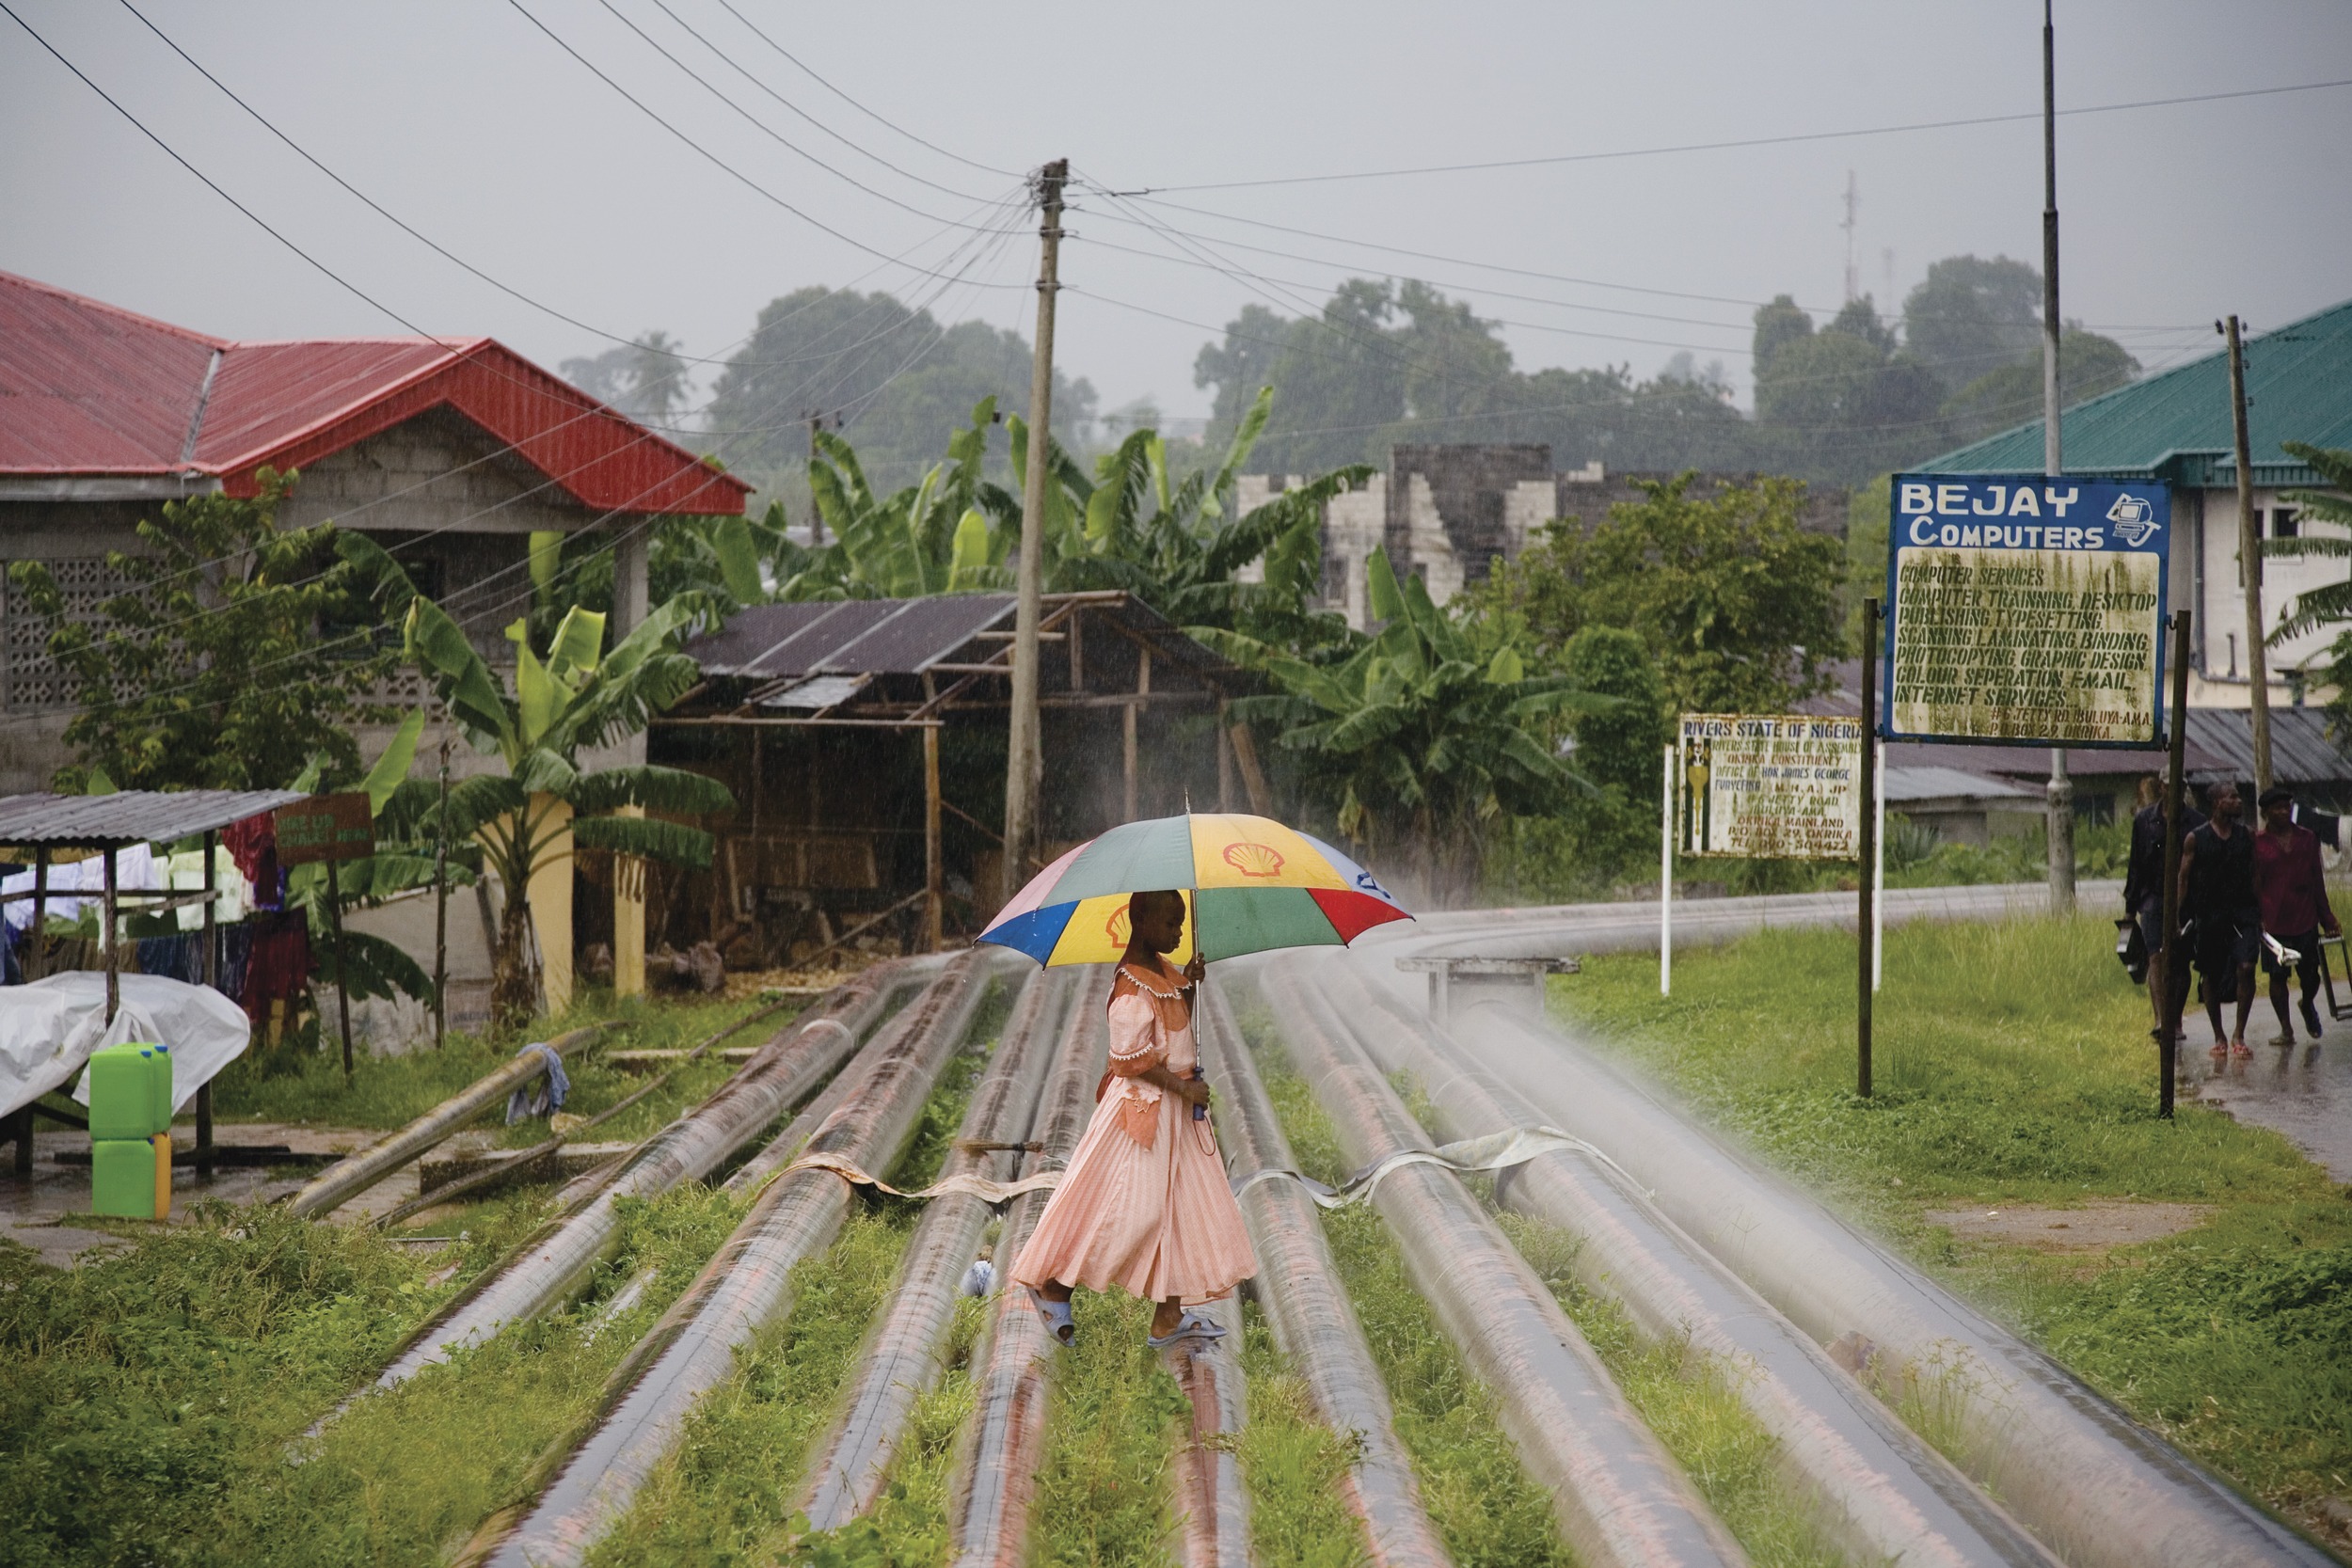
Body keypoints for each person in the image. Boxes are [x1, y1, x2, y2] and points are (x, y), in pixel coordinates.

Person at [1012, 890, 1257, 1348]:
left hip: (1175, 1114)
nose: (1178, 933)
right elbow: (1128, 1060)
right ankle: (1055, 1285)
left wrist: (1189, 983)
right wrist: (1184, 1087)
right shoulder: (1131, 987)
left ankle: (1169, 1314)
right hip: (1141, 1114)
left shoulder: (1162, 974)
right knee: (1132, 1210)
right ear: (1139, 921)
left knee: (1182, 1204)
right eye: (1170, 924)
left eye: (1182, 924)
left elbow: (1175, 1029)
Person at [2177, 783, 2261, 1057]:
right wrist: (2179, 917)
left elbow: (2257, 874)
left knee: (2246, 966)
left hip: (2243, 913)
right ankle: (2219, 1035)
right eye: (2232, 797)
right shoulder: (2196, 838)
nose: (2238, 801)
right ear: (2216, 804)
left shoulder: (2246, 835)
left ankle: (2239, 1033)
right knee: (2210, 974)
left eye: (2238, 797)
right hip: (2210, 915)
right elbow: (2183, 878)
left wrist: (2261, 911)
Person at [2252, 785, 2339, 1046]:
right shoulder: (2257, 843)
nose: (2284, 811)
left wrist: (2328, 918)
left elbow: (2317, 880)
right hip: (2273, 921)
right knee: (2278, 977)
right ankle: (2286, 1028)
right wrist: (2257, 918)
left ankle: (2307, 1003)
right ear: (2266, 813)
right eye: (2278, 808)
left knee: (2311, 976)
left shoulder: (2307, 838)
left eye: (2287, 806)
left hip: (2305, 918)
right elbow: (2254, 883)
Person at [2122, 774, 2205, 1038]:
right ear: (2161, 787)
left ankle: (2176, 1020)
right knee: (2155, 956)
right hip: (2152, 896)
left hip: (2186, 899)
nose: (2175, 791)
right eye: (2170, 786)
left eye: (2180, 786)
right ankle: (2161, 1019)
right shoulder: (2144, 820)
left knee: (2180, 961)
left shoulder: (2196, 822)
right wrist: (2130, 907)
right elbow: (2135, 866)